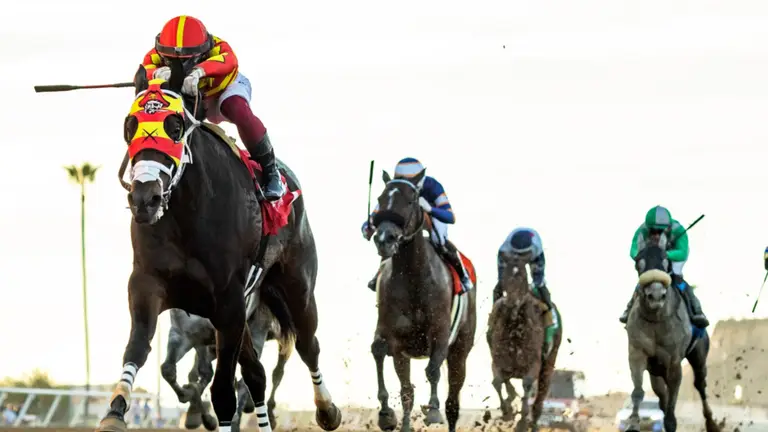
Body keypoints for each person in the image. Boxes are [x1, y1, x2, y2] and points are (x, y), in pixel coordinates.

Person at [139, 15, 284, 200]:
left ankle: (271, 171)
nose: (181, 66)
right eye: (172, 60)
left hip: (223, 90)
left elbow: (229, 61)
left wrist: (200, 71)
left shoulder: (219, 47)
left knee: (236, 108)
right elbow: (143, 69)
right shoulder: (153, 54)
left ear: (204, 51)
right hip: (192, 98)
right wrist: (156, 73)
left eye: (188, 60)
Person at [361, 157, 473, 294]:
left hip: (432, 214)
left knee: (439, 239)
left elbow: (450, 217)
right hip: (409, 216)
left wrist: (430, 209)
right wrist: (368, 227)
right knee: (392, 236)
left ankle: (462, 275)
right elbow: (381, 212)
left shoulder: (433, 186)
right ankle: (380, 273)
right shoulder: (396, 188)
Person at [619, 205, 709, 328]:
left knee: (677, 277)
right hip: (652, 255)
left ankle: (697, 310)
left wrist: (666, 254)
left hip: (675, 255)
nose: (656, 235)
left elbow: (682, 252)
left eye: (660, 232)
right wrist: (642, 255)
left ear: (667, 228)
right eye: (653, 231)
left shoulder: (678, 230)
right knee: (646, 278)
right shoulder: (642, 230)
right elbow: (633, 250)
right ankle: (629, 308)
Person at [494, 227, 556, 356]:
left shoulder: (536, 250)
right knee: (499, 286)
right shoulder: (504, 251)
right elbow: (503, 279)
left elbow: (538, 279)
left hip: (533, 256)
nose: (520, 258)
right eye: (518, 255)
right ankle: (494, 323)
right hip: (509, 256)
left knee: (540, 286)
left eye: (522, 256)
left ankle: (550, 317)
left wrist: (535, 285)